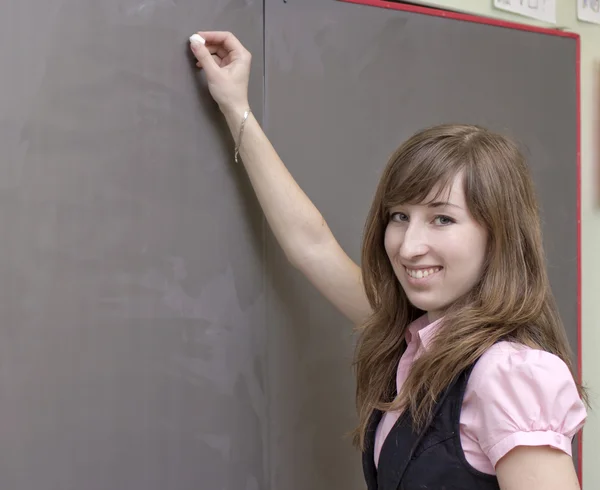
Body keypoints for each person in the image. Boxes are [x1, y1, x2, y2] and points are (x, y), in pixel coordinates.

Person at [189, 31, 588, 490]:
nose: (408, 245)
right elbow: (311, 245)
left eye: (442, 219)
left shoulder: (509, 372)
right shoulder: (418, 337)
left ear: (498, 236)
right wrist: (235, 105)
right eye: (400, 216)